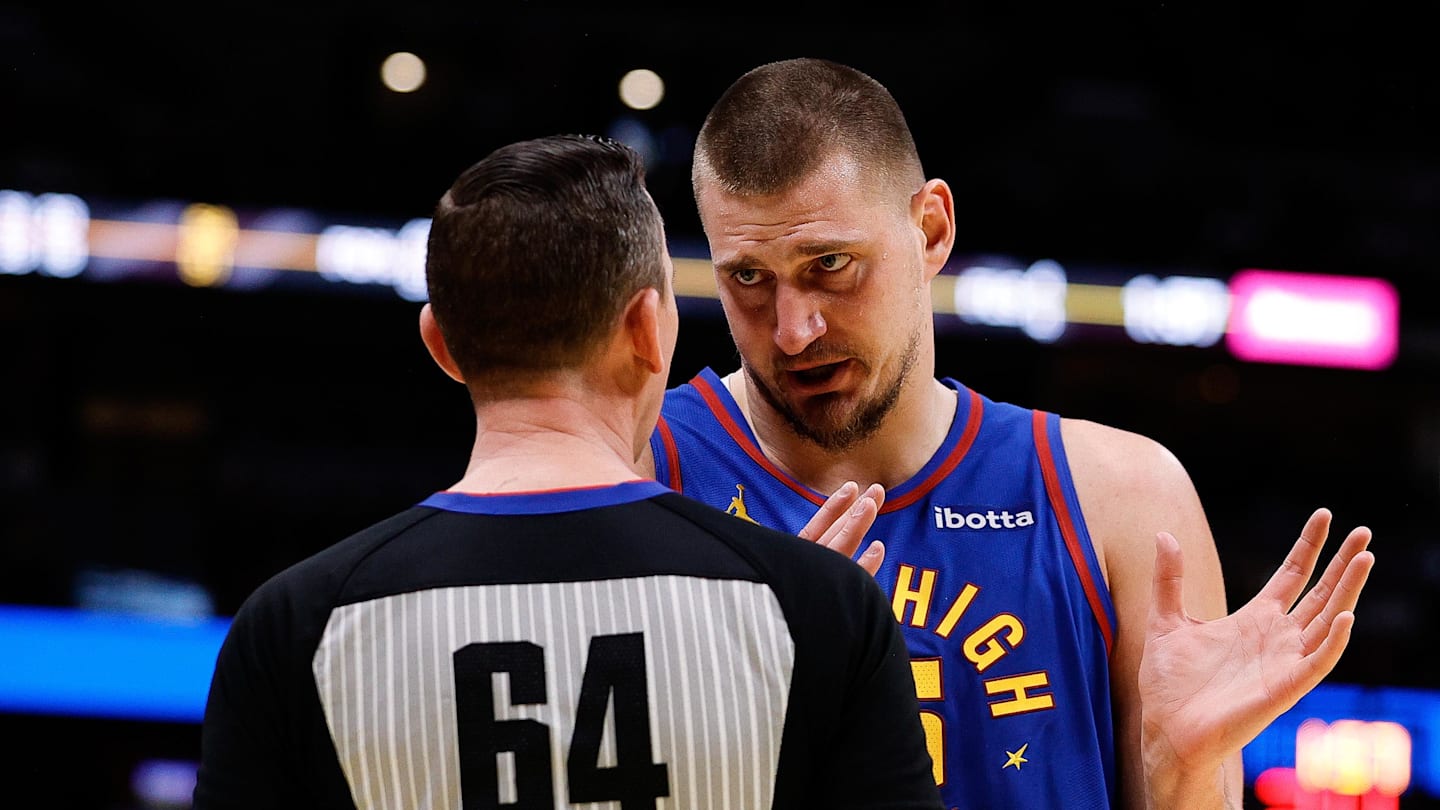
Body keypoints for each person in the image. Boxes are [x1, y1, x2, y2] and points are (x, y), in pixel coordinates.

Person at [644, 58, 1376, 809]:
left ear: (931, 231)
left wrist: (1181, 773)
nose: (794, 331)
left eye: (831, 265)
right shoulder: (637, 468)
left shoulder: (1122, 496)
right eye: (749, 278)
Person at [192, 133, 944, 809]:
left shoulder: (291, 627)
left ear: (441, 345)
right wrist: (793, 640)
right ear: (647, 327)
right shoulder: (813, 610)